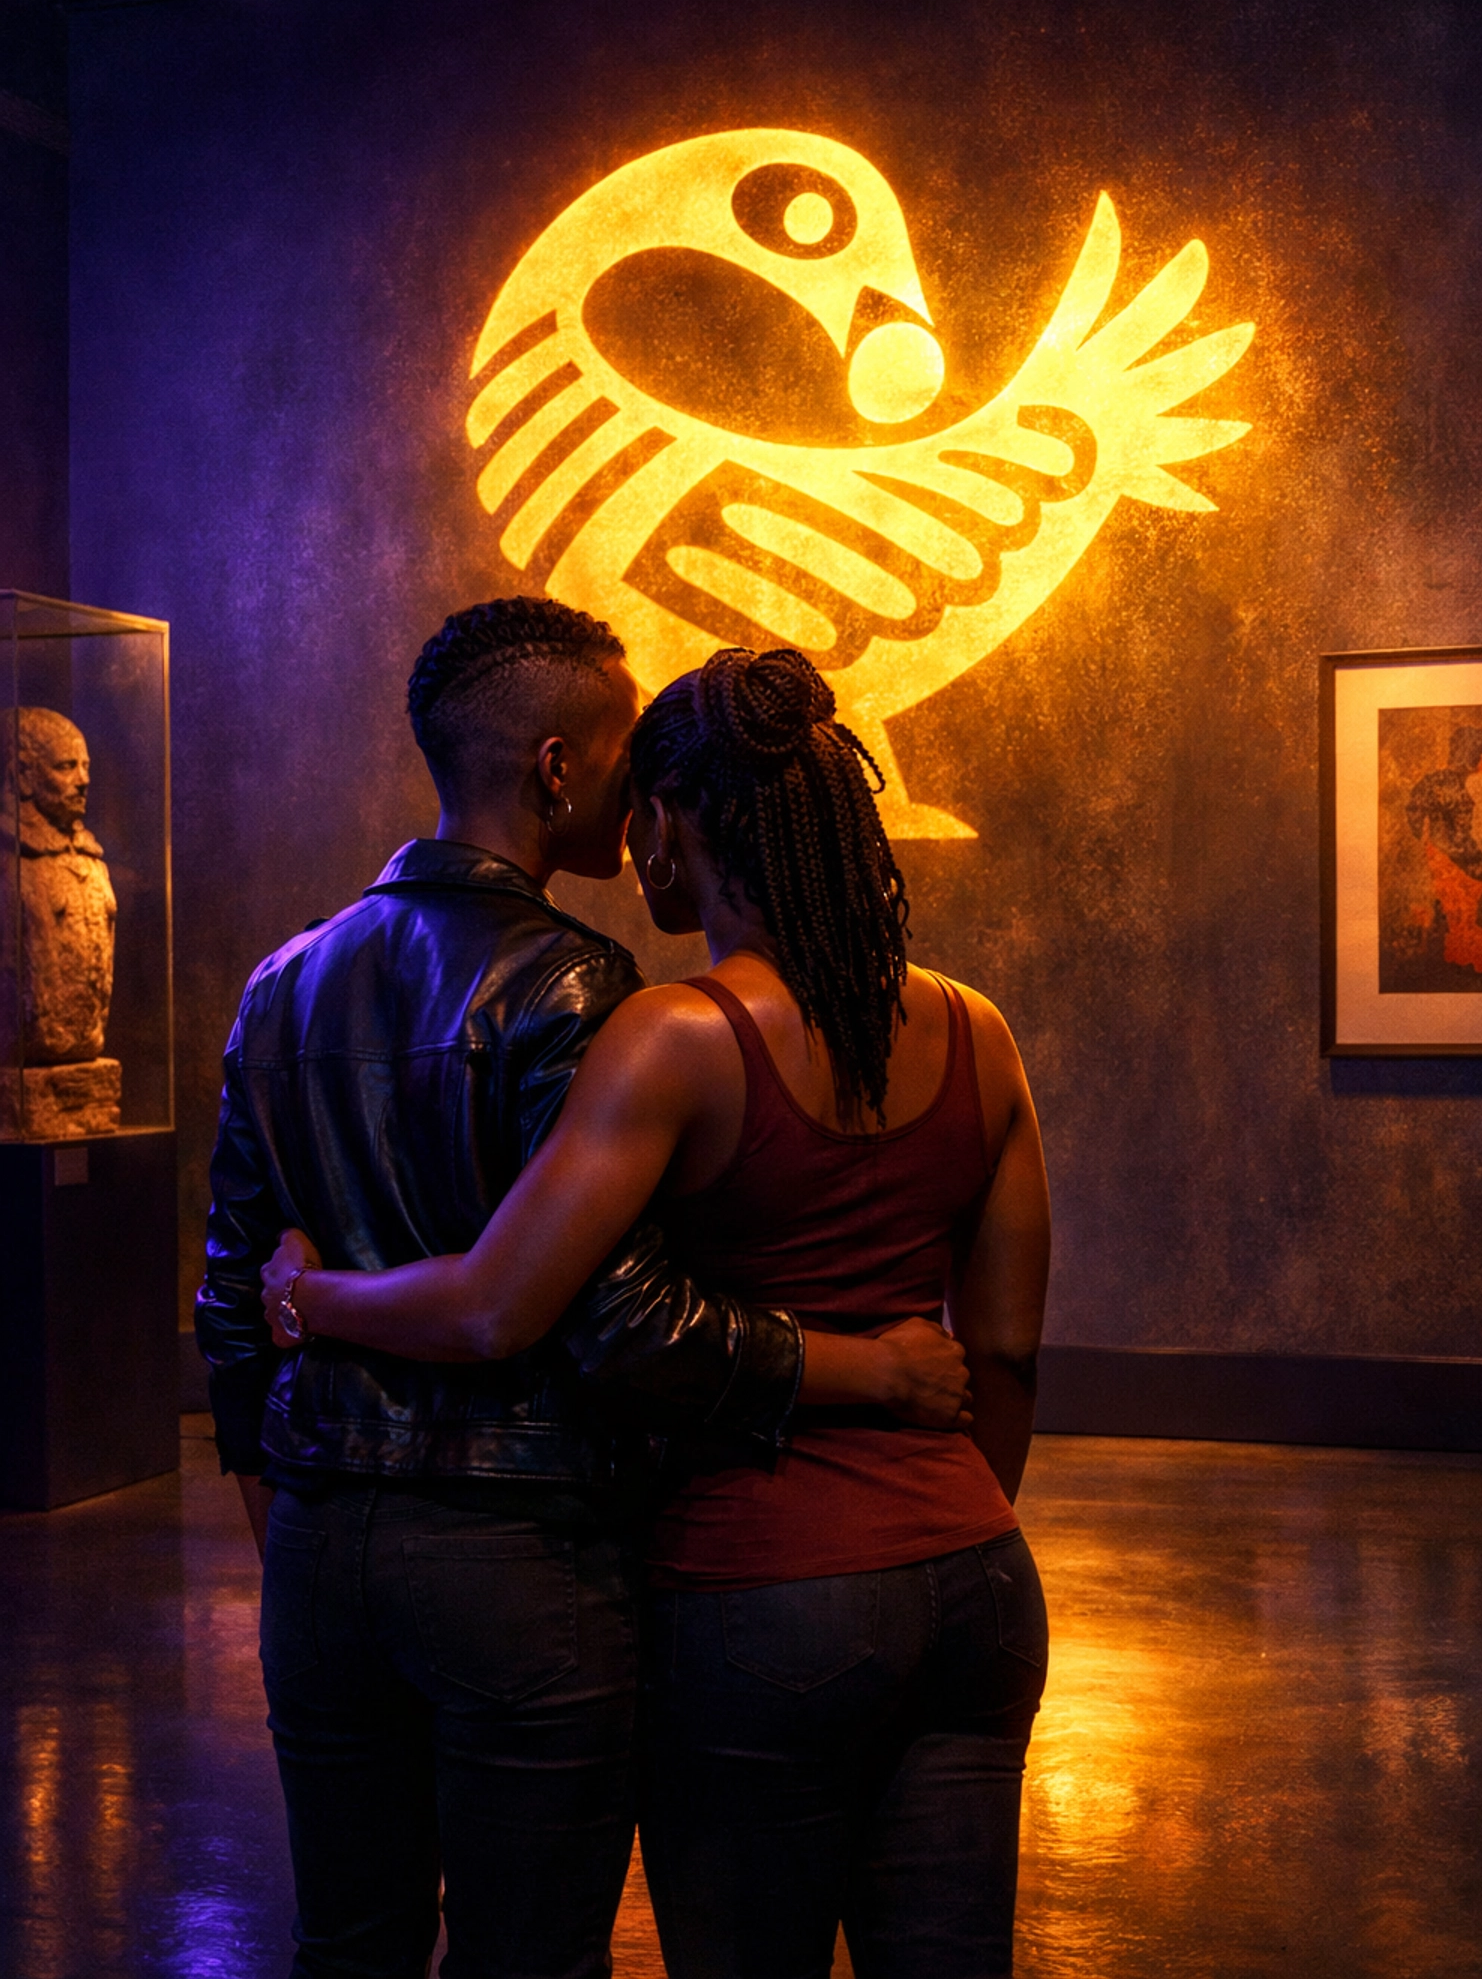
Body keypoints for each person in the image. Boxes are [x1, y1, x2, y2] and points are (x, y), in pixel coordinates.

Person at [196, 600, 962, 1979]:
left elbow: (233, 1305)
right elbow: (625, 1326)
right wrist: (859, 1365)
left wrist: (299, 1527)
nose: (645, 801)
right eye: (622, 764)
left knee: (346, 1948)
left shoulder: (280, 985)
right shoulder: (574, 982)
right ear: (558, 771)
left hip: (316, 1543)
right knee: (531, 1956)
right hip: (524, 1560)